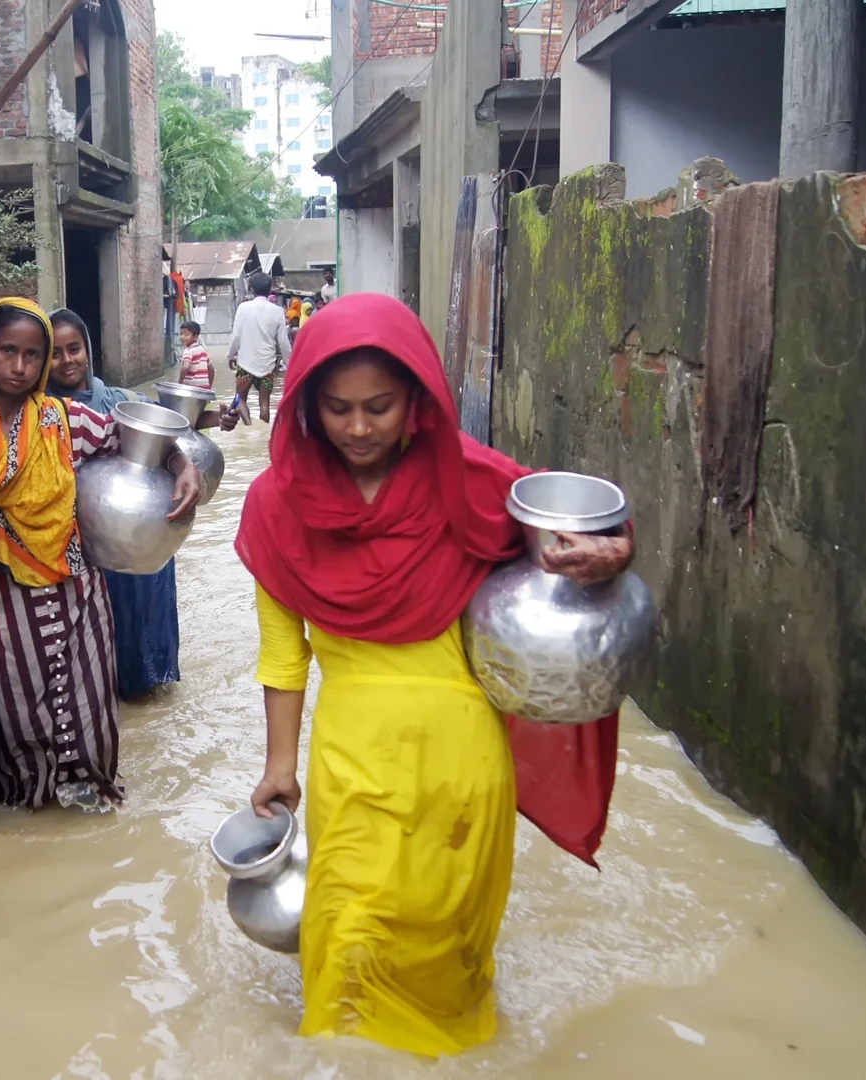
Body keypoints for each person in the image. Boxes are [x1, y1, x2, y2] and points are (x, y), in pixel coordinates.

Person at [236, 293, 632, 1057]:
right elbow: (284, 655)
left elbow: (589, 527)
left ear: (417, 399)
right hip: (350, 763)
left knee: (446, 963)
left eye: (379, 407)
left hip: (461, 767)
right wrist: (279, 768)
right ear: (306, 409)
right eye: (338, 408)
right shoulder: (276, 506)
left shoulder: (477, 484)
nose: (358, 428)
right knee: (344, 947)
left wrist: (614, 553)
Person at [0, 299, 200, 808]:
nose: (20, 366)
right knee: (18, 723)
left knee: (91, 715)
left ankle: (93, 807)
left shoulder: (64, 421)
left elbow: (132, 438)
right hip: (2, 611)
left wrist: (183, 462)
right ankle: (27, 813)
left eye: (33, 354)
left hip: (78, 599)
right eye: (8, 351)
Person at [43, 307, 183, 702]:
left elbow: (169, 434)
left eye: (75, 349)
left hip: (137, 538)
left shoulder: (121, 403)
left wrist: (199, 435)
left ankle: (147, 695)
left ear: (88, 350)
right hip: (83, 549)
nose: (67, 360)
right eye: (55, 353)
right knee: (94, 642)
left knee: (142, 628)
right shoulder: (42, 416)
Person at [227, 271, 291, 424]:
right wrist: (290, 364)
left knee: (239, 398)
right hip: (267, 365)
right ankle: (263, 435)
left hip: (245, 363)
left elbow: (236, 335)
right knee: (265, 404)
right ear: (269, 289)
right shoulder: (277, 311)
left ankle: (248, 426)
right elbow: (283, 341)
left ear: (251, 289)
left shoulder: (243, 308)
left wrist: (230, 355)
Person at [178, 321, 214, 393]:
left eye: (186, 335)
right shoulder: (203, 350)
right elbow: (211, 369)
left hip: (191, 388)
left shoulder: (188, 351)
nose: (182, 337)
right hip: (204, 388)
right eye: (181, 334)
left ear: (195, 337)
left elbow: (186, 367)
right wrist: (209, 385)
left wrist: (180, 382)